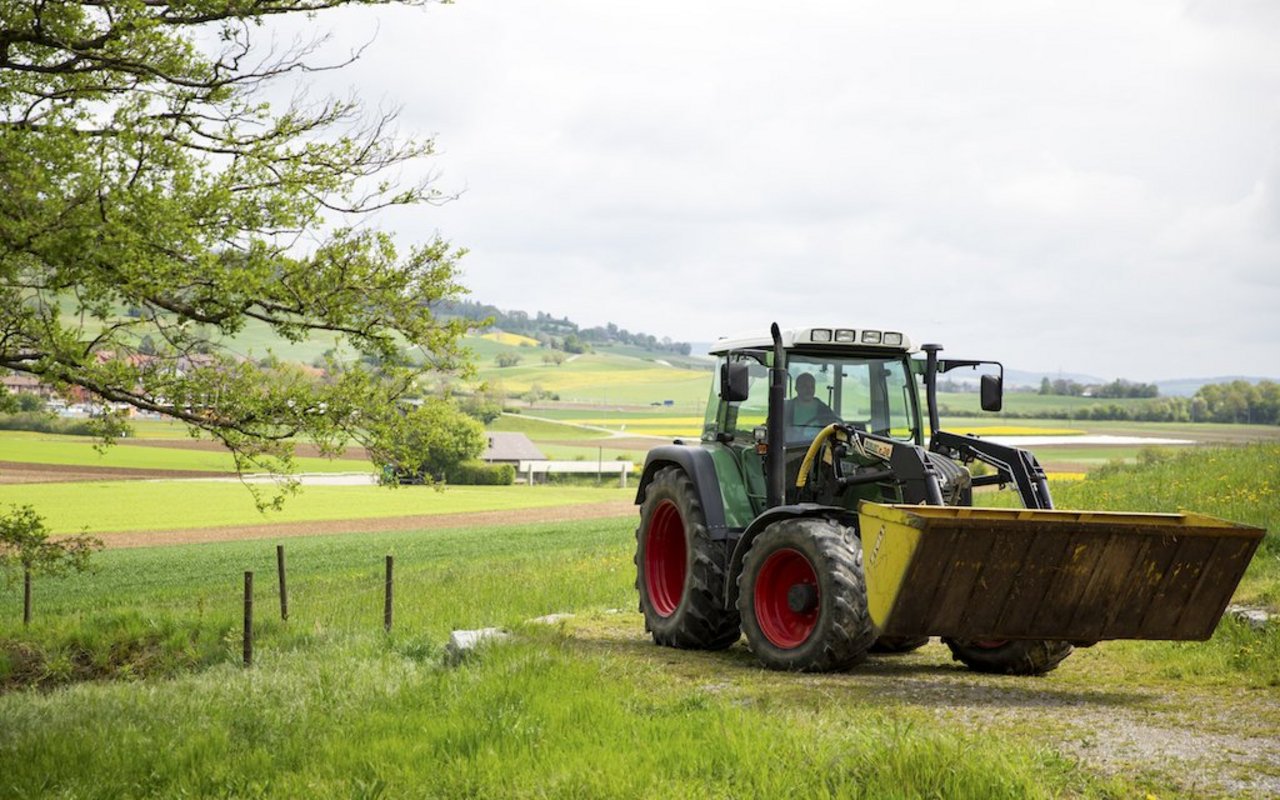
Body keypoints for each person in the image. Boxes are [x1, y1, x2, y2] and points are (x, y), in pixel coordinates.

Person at [785, 372, 839, 439]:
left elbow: (833, 426)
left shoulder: (823, 409)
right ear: (796, 388)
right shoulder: (786, 408)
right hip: (794, 446)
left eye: (812, 387)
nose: (809, 390)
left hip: (819, 446)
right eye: (805, 386)